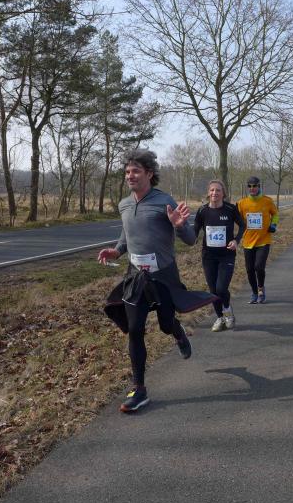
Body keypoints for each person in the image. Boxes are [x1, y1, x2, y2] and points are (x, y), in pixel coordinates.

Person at [98, 150, 217, 412]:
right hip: (136, 276)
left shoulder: (163, 201)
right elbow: (126, 235)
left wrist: (179, 225)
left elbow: (190, 239)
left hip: (163, 276)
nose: (130, 176)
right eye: (127, 172)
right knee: (135, 329)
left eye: (136, 171)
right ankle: (139, 389)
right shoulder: (124, 204)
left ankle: (177, 331)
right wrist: (116, 251)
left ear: (149, 174)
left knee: (164, 324)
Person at [194, 180, 246, 331]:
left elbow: (242, 225)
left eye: (218, 190)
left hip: (226, 255)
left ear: (223, 193)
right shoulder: (202, 211)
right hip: (208, 256)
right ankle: (220, 318)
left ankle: (228, 311)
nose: (214, 193)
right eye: (212, 190)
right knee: (213, 290)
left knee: (221, 288)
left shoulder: (230, 209)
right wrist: (183, 230)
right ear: (208, 192)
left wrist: (236, 240)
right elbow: (195, 231)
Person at [236, 176, 279, 304]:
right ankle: (254, 293)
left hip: (263, 240)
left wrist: (273, 225)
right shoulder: (242, 203)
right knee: (249, 269)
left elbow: (275, 214)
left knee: (259, 267)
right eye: (249, 186)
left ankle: (261, 289)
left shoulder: (267, 201)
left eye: (254, 186)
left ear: (259, 186)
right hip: (248, 241)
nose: (252, 188)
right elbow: (237, 218)